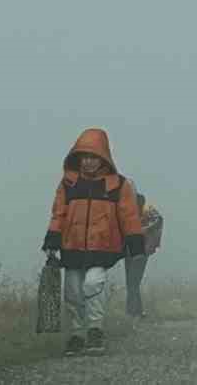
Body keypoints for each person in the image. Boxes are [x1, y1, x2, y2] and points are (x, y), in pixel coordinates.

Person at [42, 128, 147, 356]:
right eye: (84, 157)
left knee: (92, 284)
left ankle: (95, 330)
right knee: (72, 292)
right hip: (71, 246)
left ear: (103, 158)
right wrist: (52, 239)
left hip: (103, 246)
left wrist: (135, 243)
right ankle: (77, 335)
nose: (88, 162)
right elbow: (58, 214)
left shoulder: (118, 185)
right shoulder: (68, 184)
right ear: (77, 157)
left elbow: (129, 216)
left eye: (93, 157)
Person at [123, 182, 165, 320]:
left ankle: (131, 313)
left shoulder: (144, 205)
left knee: (132, 282)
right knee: (132, 282)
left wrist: (143, 230)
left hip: (142, 249)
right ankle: (138, 313)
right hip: (128, 250)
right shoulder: (123, 206)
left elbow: (158, 219)